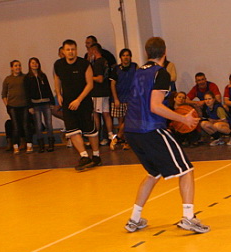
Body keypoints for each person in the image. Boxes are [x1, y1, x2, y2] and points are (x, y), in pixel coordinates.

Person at [117, 36, 209, 234]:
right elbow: (155, 106)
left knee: (154, 173)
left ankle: (134, 219)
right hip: (149, 129)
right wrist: (183, 119)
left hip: (131, 130)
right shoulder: (161, 73)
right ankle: (188, 218)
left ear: (146, 53)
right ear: (165, 53)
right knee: (186, 170)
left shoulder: (137, 72)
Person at [53, 39, 101, 171]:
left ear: (76, 50)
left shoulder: (84, 64)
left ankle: (96, 155)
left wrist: (78, 100)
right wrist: (58, 94)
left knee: (90, 131)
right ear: (63, 51)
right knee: (72, 130)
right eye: (68, 49)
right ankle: (84, 156)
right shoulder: (58, 65)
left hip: (84, 102)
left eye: (73, 49)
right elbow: (57, 80)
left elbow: (90, 84)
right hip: (68, 104)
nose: (70, 52)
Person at [24, 57, 56, 152]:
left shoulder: (43, 76)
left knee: (49, 124)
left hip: (46, 103)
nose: (35, 64)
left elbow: (48, 88)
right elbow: (27, 93)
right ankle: (41, 145)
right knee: (38, 125)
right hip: (35, 104)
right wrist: (30, 106)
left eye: (36, 63)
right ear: (29, 65)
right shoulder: (27, 78)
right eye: (32, 63)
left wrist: (52, 102)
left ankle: (51, 144)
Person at [109, 48, 137, 150]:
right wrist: (116, 99)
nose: (126, 57)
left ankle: (123, 140)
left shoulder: (135, 67)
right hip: (120, 98)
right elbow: (112, 85)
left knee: (129, 121)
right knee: (121, 122)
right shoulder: (116, 69)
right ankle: (122, 139)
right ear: (120, 57)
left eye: (127, 55)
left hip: (131, 99)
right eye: (124, 55)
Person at [88, 43, 115, 147]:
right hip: (105, 92)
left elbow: (99, 79)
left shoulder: (98, 63)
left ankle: (96, 137)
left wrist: (89, 77)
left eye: (90, 51)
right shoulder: (105, 61)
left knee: (96, 115)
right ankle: (111, 136)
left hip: (98, 93)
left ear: (94, 51)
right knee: (106, 115)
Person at [2, 60, 32, 154]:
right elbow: (4, 94)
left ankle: (29, 145)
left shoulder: (25, 77)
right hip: (12, 106)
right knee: (15, 126)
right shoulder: (8, 79)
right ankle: (15, 146)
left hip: (24, 105)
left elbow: (29, 91)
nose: (18, 67)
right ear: (11, 68)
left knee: (26, 125)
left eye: (19, 65)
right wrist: (7, 105)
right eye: (15, 66)